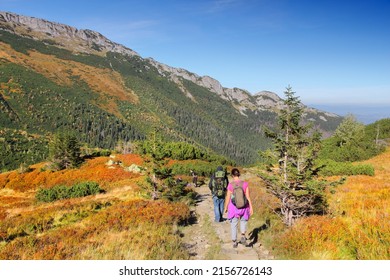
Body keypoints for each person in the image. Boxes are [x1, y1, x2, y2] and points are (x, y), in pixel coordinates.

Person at [223, 168, 253, 248]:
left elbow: (228, 198)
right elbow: (248, 197)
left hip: (234, 208)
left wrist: (225, 207)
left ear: (232, 175)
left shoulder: (230, 185)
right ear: (239, 174)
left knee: (234, 224)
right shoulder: (245, 184)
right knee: (243, 221)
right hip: (244, 207)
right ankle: (243, 236)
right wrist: (251, 207)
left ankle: (234, 241)